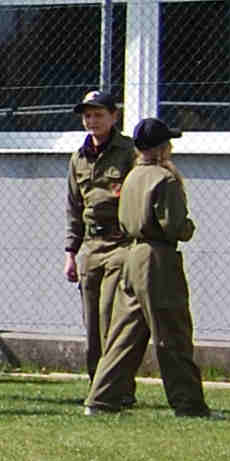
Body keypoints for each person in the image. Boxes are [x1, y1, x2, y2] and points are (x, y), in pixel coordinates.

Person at [91, 117, 210, 417]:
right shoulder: (164, 179)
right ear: (161, 147)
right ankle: (188, 403)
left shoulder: (132, 176)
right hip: (158, 258)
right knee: (172, 331)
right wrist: (188, 228)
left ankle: (101, 398)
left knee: (124, 334)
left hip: (131, 254)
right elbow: (174, 225)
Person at [67, 87, 139, 413]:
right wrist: (71, 253)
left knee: (112, 318)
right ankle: (98, 387)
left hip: (119, 244)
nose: (92, 121)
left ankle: (119, 389)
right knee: (92, 324)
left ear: (114, 116)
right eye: (87, 116)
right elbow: (74, 207)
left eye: (98, 114)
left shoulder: (129, 153)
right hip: (90, 247)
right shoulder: (78, 158)